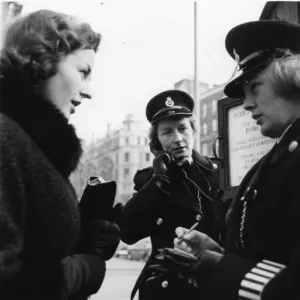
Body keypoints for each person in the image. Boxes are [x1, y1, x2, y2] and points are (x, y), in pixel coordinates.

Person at [153, 20, 300, 300]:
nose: (246, 104)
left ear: (292, 77)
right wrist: (217, 254)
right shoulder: (275, 158)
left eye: (255, 87)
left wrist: (217, 267)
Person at [0, 9, 120, 300]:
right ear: (43, 60)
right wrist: (78, 272)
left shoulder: (31, 143)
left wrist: (83, 239)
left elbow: (33, 241)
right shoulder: (6, 138)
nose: (88, 91)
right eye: (83, 72)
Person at [116, 90, 226, 300]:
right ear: (156, 143)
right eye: (167, 132)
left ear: (193, 131)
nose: (178, 138)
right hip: (165, 289)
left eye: (183, 129)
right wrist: (159, 180)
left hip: (211, 285)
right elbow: (127, 232)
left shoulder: (219, 172)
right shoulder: (150, 181)